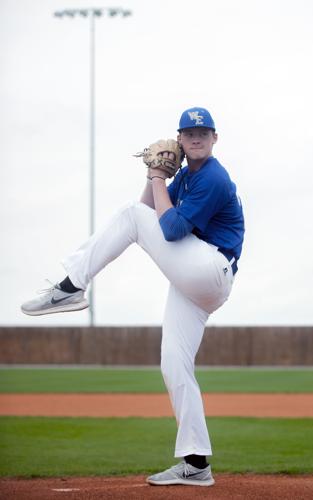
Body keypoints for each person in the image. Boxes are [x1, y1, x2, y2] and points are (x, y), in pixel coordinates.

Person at [21, 107, 245, 487]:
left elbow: (169, 230)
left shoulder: (212, 178)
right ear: (180, 138)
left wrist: (159, 177)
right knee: (174, 364)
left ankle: (70, 286)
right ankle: (196, 464)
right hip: (196, 282)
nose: (196, 138)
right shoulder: (189, 177)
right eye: (189, 133)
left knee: (126, 214)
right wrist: (153, 178)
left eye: (203, 133)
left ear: (214, 138)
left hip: (209, 269)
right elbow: (147, 213)